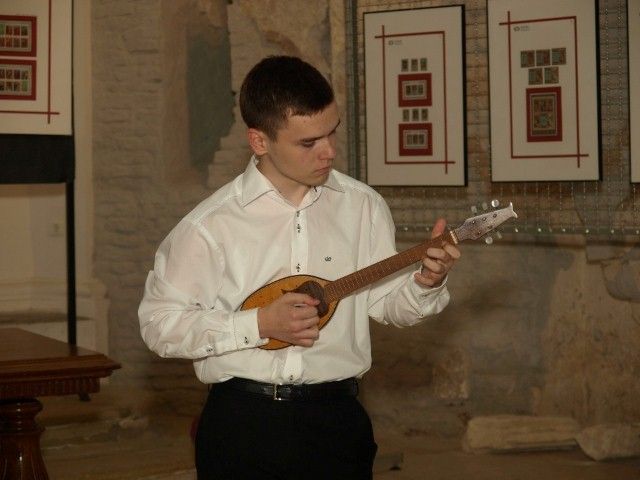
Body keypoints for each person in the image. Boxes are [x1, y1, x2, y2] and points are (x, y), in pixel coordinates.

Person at [138, 55, 460, 480]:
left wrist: (426, 282)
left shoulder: (363, 206)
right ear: (259, 141)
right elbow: (159, 325)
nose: (329, 152)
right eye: (308, 143)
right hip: (243, 426)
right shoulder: (210, 225)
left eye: (332, 132)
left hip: (338, 423)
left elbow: (386, 304)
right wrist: (259, 324)